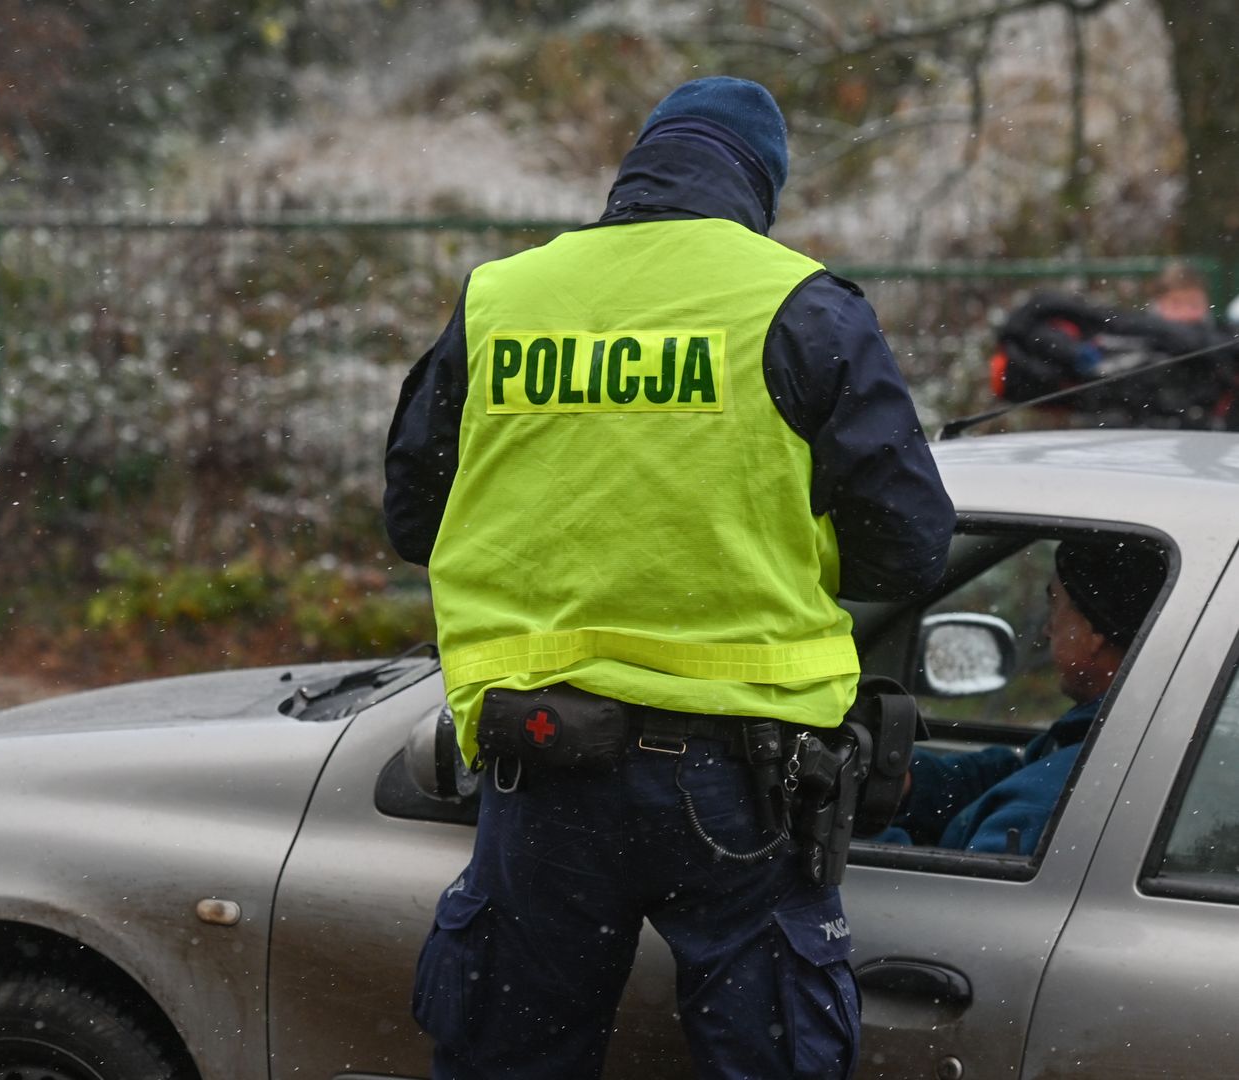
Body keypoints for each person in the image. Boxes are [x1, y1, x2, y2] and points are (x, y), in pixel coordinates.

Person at [384, 77, 955, 1079]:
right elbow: (908, 549)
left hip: (544, 761)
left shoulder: (502, 298)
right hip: (745, 784)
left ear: (637, 170)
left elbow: (414, 518)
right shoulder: (801, 305)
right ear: (756, 188)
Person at [885, 538, 1166, 856]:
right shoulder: (1111, 739)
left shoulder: (1051, 799)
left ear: (1093, 634)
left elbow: (955, 893)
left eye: (1056, 607)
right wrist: (905, 781)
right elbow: (1012, 775)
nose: (1047, 629)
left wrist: (856, 838)